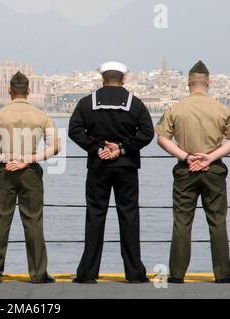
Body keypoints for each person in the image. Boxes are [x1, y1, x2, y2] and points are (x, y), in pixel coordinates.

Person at [68, 62, 154, 284]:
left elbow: (75, 130)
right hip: (127, 168)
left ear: (102, 79)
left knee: (95, 216)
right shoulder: (135, 104)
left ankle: (87, 273)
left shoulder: (87, 103)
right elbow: (147, 133)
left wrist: (98, 148)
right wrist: (122, 148)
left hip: (98, 167)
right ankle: (135, 273)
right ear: (123, 79)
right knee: (129, 216)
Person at [156, 60, 230, 284]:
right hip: (214, 169)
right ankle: (222, 275)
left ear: (188, 82)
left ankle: (177, 274)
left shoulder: (176, 108)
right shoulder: (222, 109)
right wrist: (210, 157)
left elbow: (162, 139)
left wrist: (186, 157)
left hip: (185, 170)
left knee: (182, 221)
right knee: (218, 220)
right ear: (208, 83)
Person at [0, 71, 60, 284]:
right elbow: (55, 147)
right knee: (33, 222)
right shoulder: (42, 116)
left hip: (4, 172)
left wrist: (3, 157)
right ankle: (39, 273)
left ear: (9, 91)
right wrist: (30, 158)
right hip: (30, 172)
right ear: (29, 91)